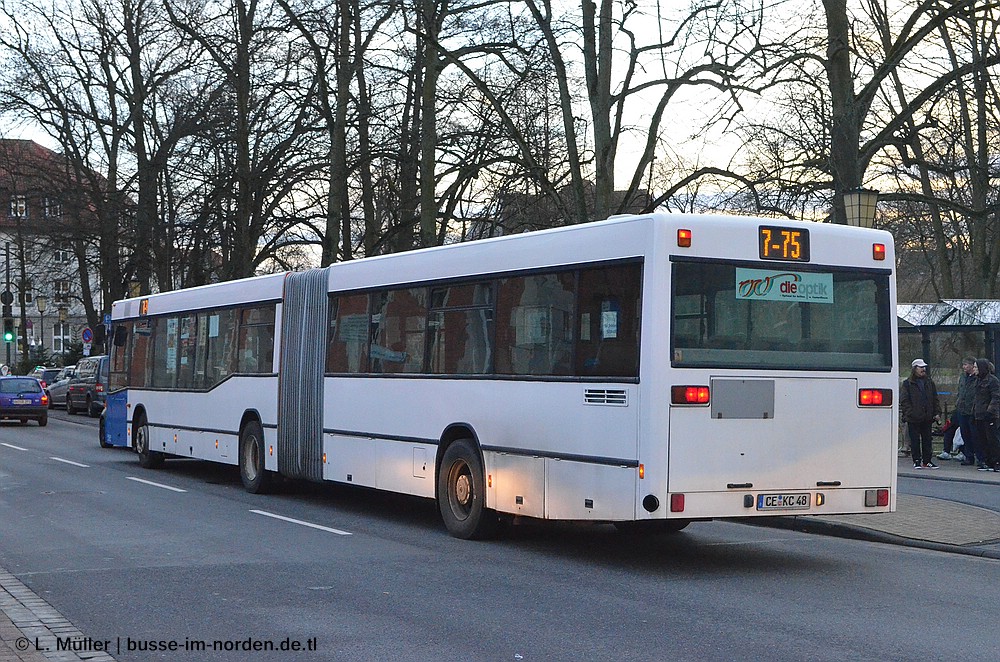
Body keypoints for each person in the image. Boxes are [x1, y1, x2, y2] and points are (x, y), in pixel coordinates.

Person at [900, 358, 941, 469]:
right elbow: (904, 400)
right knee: (915, 440)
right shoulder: (907, 384)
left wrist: (936, 412)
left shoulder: (929, 382)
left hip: (927, 416)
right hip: (914, 417)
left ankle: (927, 460)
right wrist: (910, 412)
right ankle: (917, 460)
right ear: (915, 369)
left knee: (927, 439)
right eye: (921, 367)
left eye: (924, 367)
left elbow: (935, 398)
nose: (923, 369)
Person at [972, 358, 1000, 471]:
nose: (974, 369)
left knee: (993, 439)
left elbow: (996, 397)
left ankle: (997, 461)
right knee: (982, 439)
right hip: (979, 414)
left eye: (976, 367)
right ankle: (988, 460)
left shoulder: (992, 381)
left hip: (989, 415)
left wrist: (990, 411)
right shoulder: (977, 380)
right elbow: (976, 399)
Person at [954, 357, 980, 466]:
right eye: (963, 365)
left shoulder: (977, 378)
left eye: (966, 365)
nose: (964, 367)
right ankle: (969, 456)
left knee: (975, 435)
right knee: (965, 434)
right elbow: (960, 391)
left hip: (972, 410)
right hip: (962, 409)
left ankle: (980, 457)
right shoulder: (963, 377)